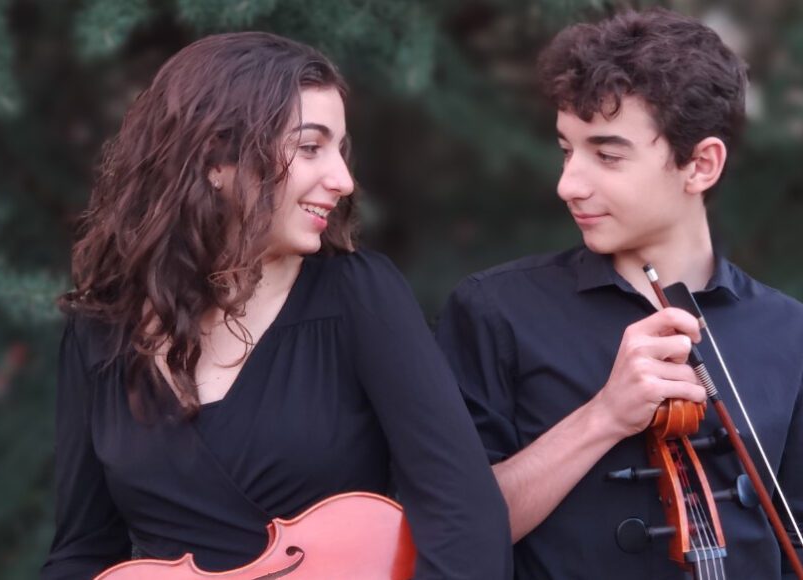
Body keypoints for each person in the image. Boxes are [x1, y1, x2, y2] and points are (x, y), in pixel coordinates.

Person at [41, 32, 510, 579]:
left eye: (340, 149)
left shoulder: (359, 296)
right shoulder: (101, 330)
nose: (342, 180)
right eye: (310, 147)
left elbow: (465, 518)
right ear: (217, 159)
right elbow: (82, 551)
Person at [435, 9, 803, 579]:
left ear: (700, 164)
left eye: (606, 155)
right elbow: (451, 530)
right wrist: (605, 415)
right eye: (566, 149)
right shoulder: (495, 312)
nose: (568, 183)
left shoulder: (799, 339)